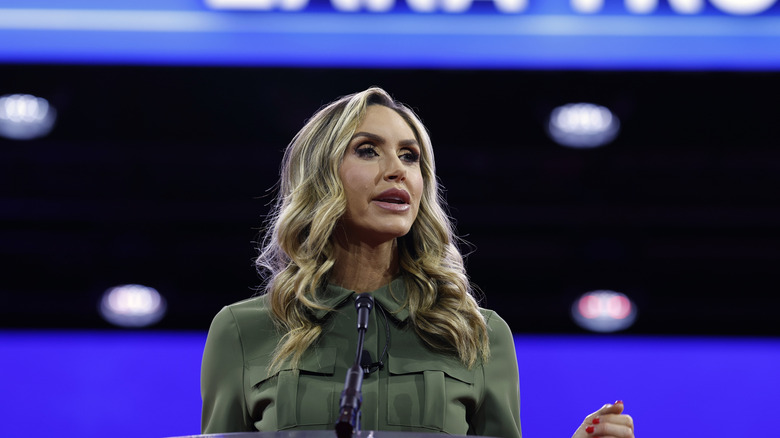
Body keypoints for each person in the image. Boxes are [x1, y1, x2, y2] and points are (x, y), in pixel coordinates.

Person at [200, 87, 635, 438]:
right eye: (368, 150)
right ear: (320, 177)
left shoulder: (477, 334)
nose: (397, 170)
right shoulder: (242, 331)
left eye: (410, 156)